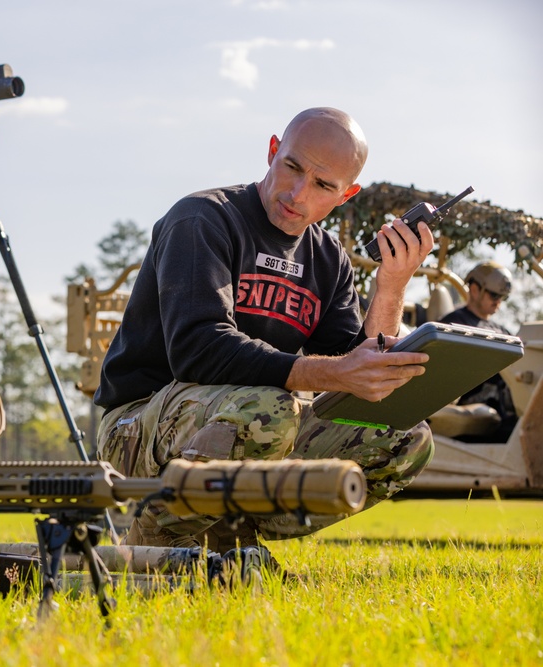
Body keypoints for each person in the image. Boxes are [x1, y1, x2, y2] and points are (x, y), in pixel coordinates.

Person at [93, 107, 435, 554]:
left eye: (322, 185)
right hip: (137, 430)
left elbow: (353, 375)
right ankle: (157, 541)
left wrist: (391, 284)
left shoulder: (329, 260)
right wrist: (333, 373)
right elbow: (198, 349)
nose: (297, 193)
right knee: (269, 408)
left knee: (405, 436)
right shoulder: (202, 218)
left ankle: (230, 535)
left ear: (346, 195)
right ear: (273, 151)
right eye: (292, 167)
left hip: (247, 422)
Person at [438, 261, 517, 441]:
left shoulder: (502, 330)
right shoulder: (454, 323)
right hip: (475, 400)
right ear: (475, 289)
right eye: (494, 295)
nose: (498, 302)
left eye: (502, 297)